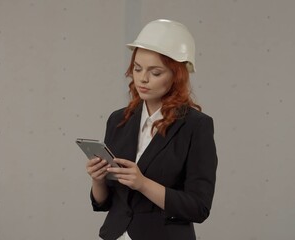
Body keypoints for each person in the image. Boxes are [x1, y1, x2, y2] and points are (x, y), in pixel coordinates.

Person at [86, 19, 218, 240]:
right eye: (137, 69)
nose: (143, 79)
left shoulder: (196, 126)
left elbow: (199, 207)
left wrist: (143, 184)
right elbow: (105, 203)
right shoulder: (119, 119)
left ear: (177, 76)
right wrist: (97, 179)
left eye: (155, 73)